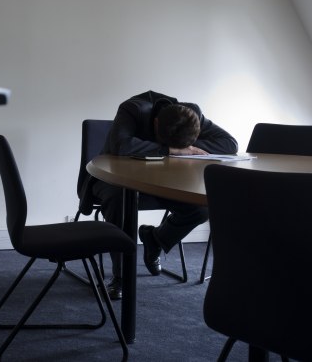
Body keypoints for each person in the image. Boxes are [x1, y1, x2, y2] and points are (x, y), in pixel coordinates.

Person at [90, 90, 238, 299]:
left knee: (201, 208)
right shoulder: (133, 109)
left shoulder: (190, 114)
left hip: (162, 181)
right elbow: (121, 146)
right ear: (157, 123)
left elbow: (230, 144)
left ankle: (156, 240)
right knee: (120, 199)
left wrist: (189, 148)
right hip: (114, 178)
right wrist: (170, 150)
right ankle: (121, 277)